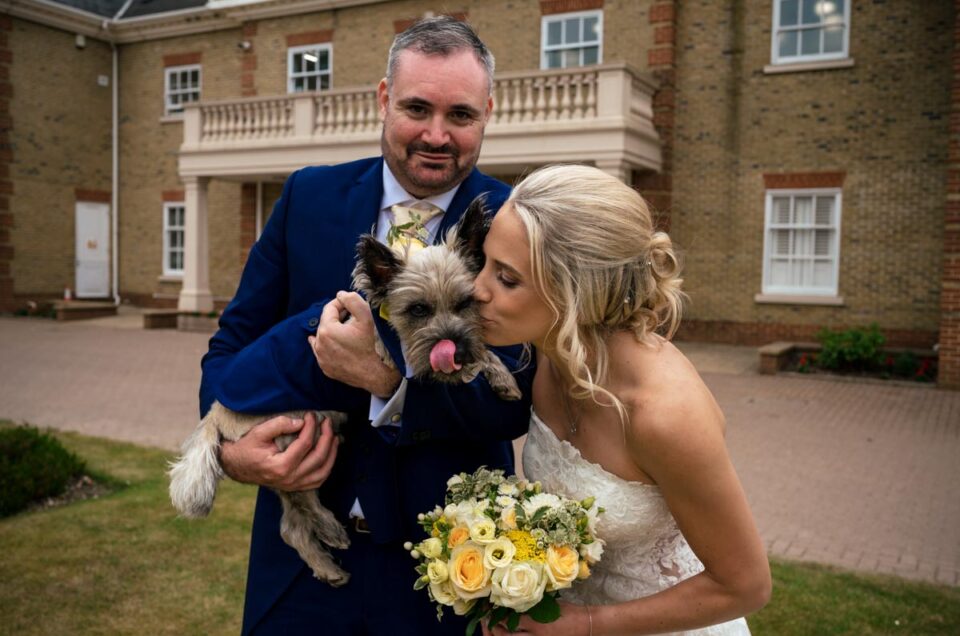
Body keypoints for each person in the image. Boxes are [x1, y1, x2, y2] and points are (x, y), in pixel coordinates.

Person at [198, 17, 533, 635]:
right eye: (416, 108)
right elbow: (233, 346)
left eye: (460, 114)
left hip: (447, 570)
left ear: (488, 111)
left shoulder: (517, 224)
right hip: (297, 577)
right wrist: (235, 453)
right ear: (383, 99)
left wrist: (386, 382)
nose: (436, 135)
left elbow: (515, 400)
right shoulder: (307, 197)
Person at [474, 164, 771, 635]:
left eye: (507, 279)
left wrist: (587, 624)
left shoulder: (664, 414)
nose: (477, 289)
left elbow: (746, 586)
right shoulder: (550, 354)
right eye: (485, 264)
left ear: (576, 292)